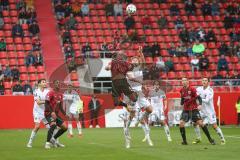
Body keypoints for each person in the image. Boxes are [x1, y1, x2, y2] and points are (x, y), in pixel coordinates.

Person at [179, 77, 215, 145]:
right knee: (181, 124)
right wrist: (181, 102)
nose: (183, 82)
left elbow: (199, 98)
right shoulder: (181, 90)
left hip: (193, 109)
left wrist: (200, 105)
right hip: (186, 110)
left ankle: (210, 139)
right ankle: (184, 141)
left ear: (187, 81)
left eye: (185, 80)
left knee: (201, 124)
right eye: (182, 81)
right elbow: (182, 99)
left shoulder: (192, 89)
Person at [193, 78, 226, 145]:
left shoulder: (210, 90)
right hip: (202, 111)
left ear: (208, 82)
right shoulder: (199, 89)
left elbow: (207, 100)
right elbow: (194, 94)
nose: (204, 82)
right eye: (203, 80)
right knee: (195, 123)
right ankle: (199, 138)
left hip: (210, 112)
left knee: (214, 126)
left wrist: (198, 99)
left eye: (205, 80)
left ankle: (222, 139)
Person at [44, 80, 67, 149]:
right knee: (53, 125)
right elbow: (46, 103)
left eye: (59, 83)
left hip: (55, 115)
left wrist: (65, 114)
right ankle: (47, 143)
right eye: (56, 83)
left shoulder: (60, 94)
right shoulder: (50, 93)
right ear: (53, 84)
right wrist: (52, 112)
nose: (58, 84)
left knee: (65, 127)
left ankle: (53, 139)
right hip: (48, 113)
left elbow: (60, 106)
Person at [27, 79, 50, 148]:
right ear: (39, 84)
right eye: (43, 82)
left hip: (45, 112)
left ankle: (55, 142)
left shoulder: (48, 91)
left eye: (45, 82)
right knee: (37, 126)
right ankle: (29, 142)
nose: (45, 83)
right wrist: (47, 101)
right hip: (37, 112)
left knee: (51, 127)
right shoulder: (36, 91)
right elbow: (38, 102)